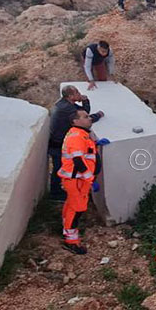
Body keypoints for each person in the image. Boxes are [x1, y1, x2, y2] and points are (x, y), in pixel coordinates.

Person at [48, 85, 104, 200]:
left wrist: (85, 101)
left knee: (61, 168)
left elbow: (83, 113)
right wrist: (98, 115)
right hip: (58, 144)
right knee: (60, 169)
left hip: (58, 142)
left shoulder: (65, 103)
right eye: (77, 92)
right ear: (71, 96)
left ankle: (59, 191)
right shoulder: (67, 108)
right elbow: (83, 117)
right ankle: (56, 194)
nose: (79, 94)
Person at [58, 109, 101, 254]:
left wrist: (96, 144)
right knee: (77, 209)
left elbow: (84, 152)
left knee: (71, 205)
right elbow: (78, 161)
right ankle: (71, 241)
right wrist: (91, 179)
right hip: (77, 180)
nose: (89, 119)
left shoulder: (80, 134)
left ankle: (66, 230)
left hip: (75, 179)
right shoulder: (77, 136)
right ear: (75, 121)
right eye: (86, 117)